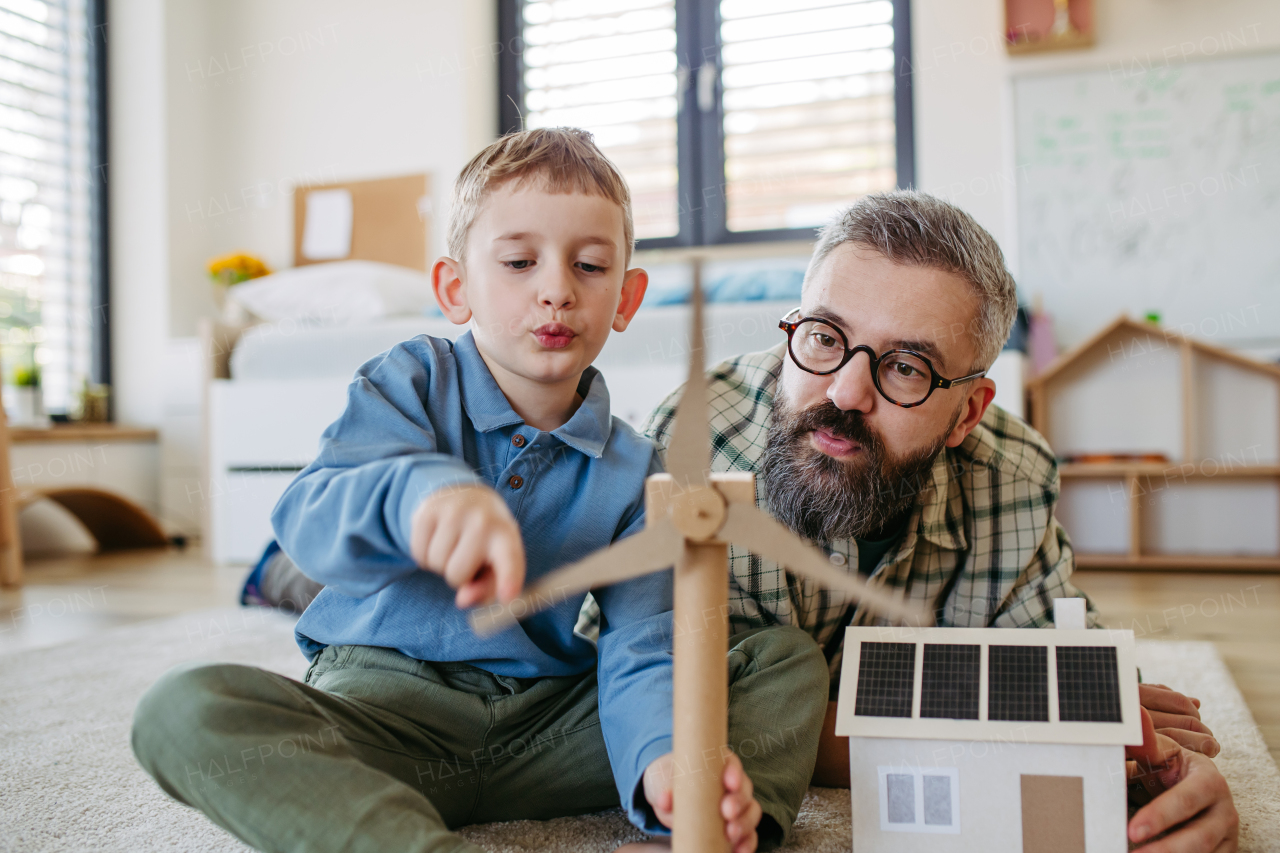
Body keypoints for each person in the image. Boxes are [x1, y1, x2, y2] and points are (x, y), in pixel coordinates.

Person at [131, 129, 831, 853]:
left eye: (589, 265)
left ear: (626, 297)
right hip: (384, 714)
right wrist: (422, 497)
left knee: (780, 659)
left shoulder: (638, 470)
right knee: (185, 707)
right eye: (520, 262)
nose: (556, 288)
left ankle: (690, 836)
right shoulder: (407, 381)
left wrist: (663, 756)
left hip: (546, 731)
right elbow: (310, 519)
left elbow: (643, 645)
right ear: (454, 288)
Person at [644, 190, 1238, 852]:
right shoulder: (694, 450)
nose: (844, 392)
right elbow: (670, 720)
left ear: (968, 412)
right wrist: (1013, 728)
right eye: (824, 336)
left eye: (906, 366)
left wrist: (1135, 757)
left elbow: (1061, 674)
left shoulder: (1010, 478)